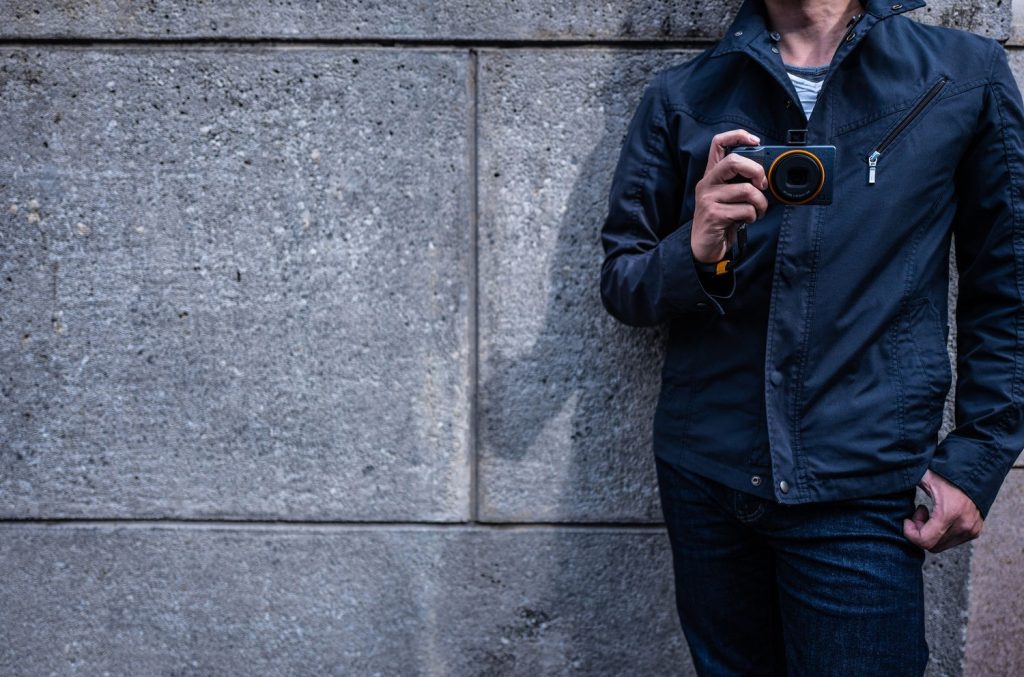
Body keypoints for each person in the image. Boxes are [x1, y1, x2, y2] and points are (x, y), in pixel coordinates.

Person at [598, 0, 1024, 674]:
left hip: (860, 490)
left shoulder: (961, 75)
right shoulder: (685, 94)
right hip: (709, 480)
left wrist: (977, 460)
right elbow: (623, 282)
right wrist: (698, 248)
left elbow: (1009, 284)